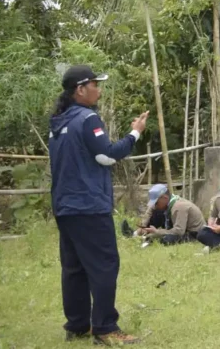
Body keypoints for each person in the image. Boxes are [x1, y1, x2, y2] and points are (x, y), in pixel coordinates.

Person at [49, 65, 148, 346]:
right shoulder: (87, 118)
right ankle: (105, 327)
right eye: (95, 84)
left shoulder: (58, 121)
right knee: (104, 265)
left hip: (65, 205)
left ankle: (77, 326)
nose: (99, 89)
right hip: (88, 206)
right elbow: (107, 156)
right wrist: (135, 133)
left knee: (74, 268)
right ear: (80, 89)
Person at [137, 184, 205, 245]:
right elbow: (151, 209)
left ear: (165, 198)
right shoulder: (170, 202)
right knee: (156, 214)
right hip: (181, 229)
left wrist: (158, 232)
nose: (155, 205)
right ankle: (141, 233)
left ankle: (149, 237)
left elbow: (179, 231)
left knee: (167, 239)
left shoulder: (179, 207)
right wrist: (143, 225)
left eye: (156, 203)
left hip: (193, 233)